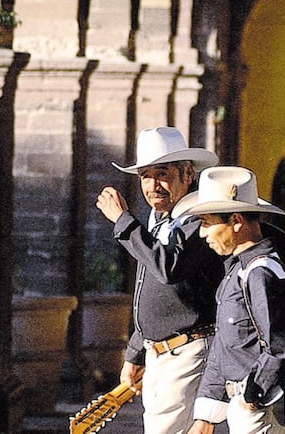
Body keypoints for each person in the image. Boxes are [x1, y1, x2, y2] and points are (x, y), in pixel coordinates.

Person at [95, 126, 224, 433]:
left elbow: (169, 268)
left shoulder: (198, 218)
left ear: (188, 173)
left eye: (163, 173)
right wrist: (137, 351)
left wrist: (124, 223)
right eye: (145, 176)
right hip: (163, 354)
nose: (153, 185)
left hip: (188, 351)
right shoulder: (161, 220)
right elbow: (148, 289)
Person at [172, 166, 285, 434]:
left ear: (236, 221)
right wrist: (206, 416)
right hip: (242, 405)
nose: (202, 233)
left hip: (258, 408)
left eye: (207, 222)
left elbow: (280, 344)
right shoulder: (238, 270)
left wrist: (253, 397)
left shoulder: (261, 272)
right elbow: (225, 344)